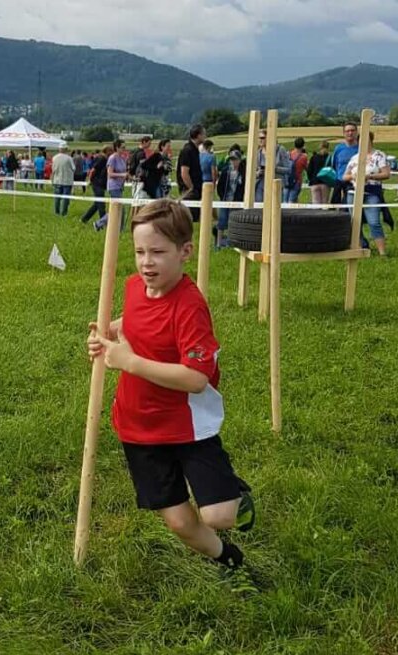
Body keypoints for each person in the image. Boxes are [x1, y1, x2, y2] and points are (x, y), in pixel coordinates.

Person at [86, 198, 257, 584]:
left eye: (158, 252)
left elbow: (196, 378)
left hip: (187, 426)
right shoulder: (134, 287)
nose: (147, 262)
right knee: (180, 521)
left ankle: (235, 494)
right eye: (140, 251)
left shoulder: (190, 306)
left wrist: (128, 361)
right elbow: (135, 319)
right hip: (138, 425)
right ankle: (228, 559)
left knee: (219, 515)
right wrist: (108, 334)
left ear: (185, 252)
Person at [342, 131, 391, 256]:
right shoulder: (355, 158)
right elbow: (344, 176)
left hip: (371, 193)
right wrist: (353, 176)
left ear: (371, 140)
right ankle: (359, 247)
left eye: (366, 139)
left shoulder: (379, 155)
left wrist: (369, 176)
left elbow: (386, 174)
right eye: (361, 140)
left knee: (374, 222)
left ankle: (382, 252)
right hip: (353, 193)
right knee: (355, 222)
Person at [95, 140, 128, 232]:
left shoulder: (122, 158)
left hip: (120, 186)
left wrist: (128, 177)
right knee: (119, 209)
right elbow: (110, 174)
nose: (124, 149)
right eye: (122, 147)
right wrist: (122, 175)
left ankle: (100, 224)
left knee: (117, 209)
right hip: (114, 186)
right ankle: (119, 229)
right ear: (117, 148)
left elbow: (123, 172)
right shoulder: (112, 158)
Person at [215, 150, 244, 249]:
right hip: (225, 200)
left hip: (237, 201)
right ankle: (218, 244)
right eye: (231, 160)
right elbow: (220, 186)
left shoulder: (243, 172)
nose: (233, 162)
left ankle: (229, 243)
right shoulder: (226, 171)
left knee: (233, 222)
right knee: (221, 221)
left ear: (239, 160)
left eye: (235, 159)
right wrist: (222, 196)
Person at [177, 125, 206, 221]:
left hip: (195, 189)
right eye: (203, 134)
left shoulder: (195, 150)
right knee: (188, 219)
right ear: (198, 135)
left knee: (195, 218)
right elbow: (184, 173)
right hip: (189, 191)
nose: (205, 136)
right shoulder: (187, 150)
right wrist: (191, 188)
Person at [329, 122, 359, 204]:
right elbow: (334, 164)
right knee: (334, 205)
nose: (350, 133)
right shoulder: (338, 148)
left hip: (352, 181)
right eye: (347, 131)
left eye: (352, 130)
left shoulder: (360, 149)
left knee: (348, 205)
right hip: (339, 180)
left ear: (357, 132)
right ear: (344, 133)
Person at [80, 145, 110, 226]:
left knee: (97, 204)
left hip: (100, 183)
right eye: (111, 151)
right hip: (97, 183)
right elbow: (93, 170)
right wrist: (89, 180)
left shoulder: (104, 159)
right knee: (101, 204)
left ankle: (84, 219)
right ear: (107, 151)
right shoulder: (101, 158)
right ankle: (102, 223)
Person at [51, 146, 75, 216]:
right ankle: (64, 213)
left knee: (57, 198)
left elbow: (53, 169)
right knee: (66, 198)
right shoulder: (69, 158)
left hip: (57, 180)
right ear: (66, 150)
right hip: (67, 181)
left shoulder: (54, 158)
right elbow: (73, 168)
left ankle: (57, 212)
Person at [283, 137, 308, 204]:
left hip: (287, 180)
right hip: (297, 181)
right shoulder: (303, 157)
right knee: (291, 201)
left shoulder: (288, 154)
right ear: (303, 146)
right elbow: (307, 168)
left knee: (285, 201)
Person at [306, 140, 331, 204]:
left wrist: (311, 179)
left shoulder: (314, 157)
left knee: (315, 204)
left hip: (314, 182)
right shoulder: (330, 158)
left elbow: (309, 170)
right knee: (325, 204)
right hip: (325, 183)